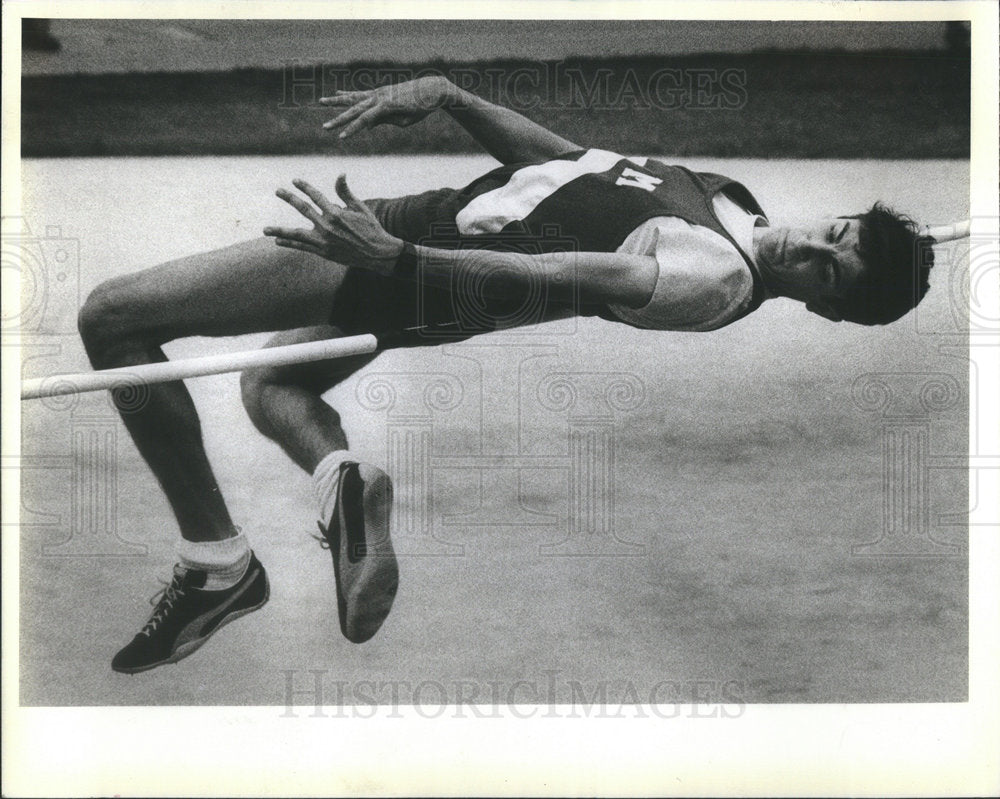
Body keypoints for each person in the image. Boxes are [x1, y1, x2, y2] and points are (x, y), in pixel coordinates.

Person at [76, 75, 934, 674]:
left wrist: (397, 253)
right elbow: (569, 164)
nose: (813, 247)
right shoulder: (736, 207)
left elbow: (554, 277)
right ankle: (342, 478)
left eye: (828, 272)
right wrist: (453, 98)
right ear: (844, 211)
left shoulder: (714, 275)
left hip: (430, 253)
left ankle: (214, 561)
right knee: (273, 387)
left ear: (820, 308)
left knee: (114, 318)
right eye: (839, 232)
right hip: (431, 266)